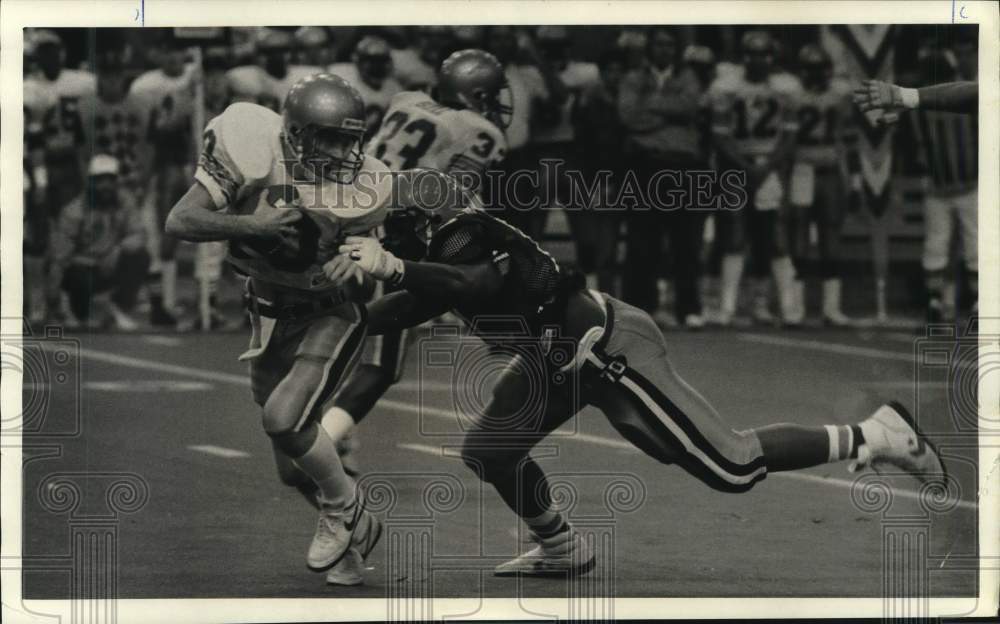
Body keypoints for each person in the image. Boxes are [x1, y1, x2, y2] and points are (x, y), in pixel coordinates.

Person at [331, 170, 946, 577]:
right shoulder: (440, 251)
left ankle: (879, 433)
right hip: (556, 359)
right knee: (492, 449)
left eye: (388, 223)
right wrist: (326, 302)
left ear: (416, 219)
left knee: (731, 466)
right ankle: (562, 547)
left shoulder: (464, 236)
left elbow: (471, 282)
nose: (381, 231)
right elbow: (403, 306)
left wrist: (392, 266)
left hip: (603, 349)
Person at [164, 74, 391, 586]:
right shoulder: (250, 141)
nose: (339, 152)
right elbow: (180, 221)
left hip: (329, 312)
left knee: (283, 419)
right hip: (267, 313)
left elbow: (368, 249)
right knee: (292, 467)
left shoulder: (368, 182)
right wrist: (252, 226)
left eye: (347, 140)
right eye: (327, 137)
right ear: (293, 133)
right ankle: (355, 533)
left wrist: (363, 260)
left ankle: (342, 506)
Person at [325, 48, 510, 481]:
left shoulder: (405, 99)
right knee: (382, 364)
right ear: (475, 93)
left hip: (341, 211)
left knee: (352, 335)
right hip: (384, 232)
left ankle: (337, 436)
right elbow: (455, 193)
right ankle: (322, 439)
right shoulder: (479, 130)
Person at [708, 30, 801, 327]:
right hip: (735, 165)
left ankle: (776, 306)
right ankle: (727, 307)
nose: (758, 60)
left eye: (763, 54)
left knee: (772, 237)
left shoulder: (786, 87)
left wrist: (768, 165)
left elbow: (790, 135)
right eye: (752, 54)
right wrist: (746, 165)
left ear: (771, 56)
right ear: (743, 56)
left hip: (769, 165)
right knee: (734, 235)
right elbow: (720, 135)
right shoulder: (726, 87)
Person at [618, 27, 706, 328]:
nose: (664, 51)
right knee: (644, 241)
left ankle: (688, 307)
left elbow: (690, 107)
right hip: (646, 166)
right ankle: (644, 307)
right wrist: (670, 111)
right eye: (659, 45)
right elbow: (628, 116)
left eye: (670, 45)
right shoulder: (633, 78)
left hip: (682, 165)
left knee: (685, 241)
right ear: (649, 48)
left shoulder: (688, 78)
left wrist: (652, 106)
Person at [904, 41, 978, 324]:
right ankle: (943, 302)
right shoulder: (927, 105)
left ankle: (954, 302)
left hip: (960, 183)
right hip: (951, 184)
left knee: (955, 248)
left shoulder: (955, 100)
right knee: (947, 248)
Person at [129, 34, 199, 327]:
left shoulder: (198, 80)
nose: (174, 57)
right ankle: (163, 302)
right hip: (161, 166)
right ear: (158, 53)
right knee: (159, 238)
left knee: (204, 241)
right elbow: (143, 137)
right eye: (168, 51)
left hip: (194, 164)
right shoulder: (145, 87)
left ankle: (204, 301)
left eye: (178, 51)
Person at [788, 43, 858, 326]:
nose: (815, 75)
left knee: (830, 236)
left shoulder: (838, 97)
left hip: (828, 169)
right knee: (800, 237)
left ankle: (830, 307)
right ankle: (797, 308)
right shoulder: (792, 97)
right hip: (802, 168)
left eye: (819, 69)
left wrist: (853, 181)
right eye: (811, 69)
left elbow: (849, 140)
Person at [47, 155, 148, 330]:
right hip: (83, 268)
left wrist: (117, 249)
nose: (106, 186)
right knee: (77, 276)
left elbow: (139, 234)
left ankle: (118, 308)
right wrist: (53, 296)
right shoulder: (74, 211)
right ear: (90, 183)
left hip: (111, 262)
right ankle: (78, 310)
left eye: (110, 180)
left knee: (140, 256)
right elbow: (60, 258)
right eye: (100, 181)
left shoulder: (125, 201)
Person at [328, 35, 403, 138]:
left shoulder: (395, 89)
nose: (376, 67)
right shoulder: (343, 79)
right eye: (371, 61)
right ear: (357, 62)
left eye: (381, 60)